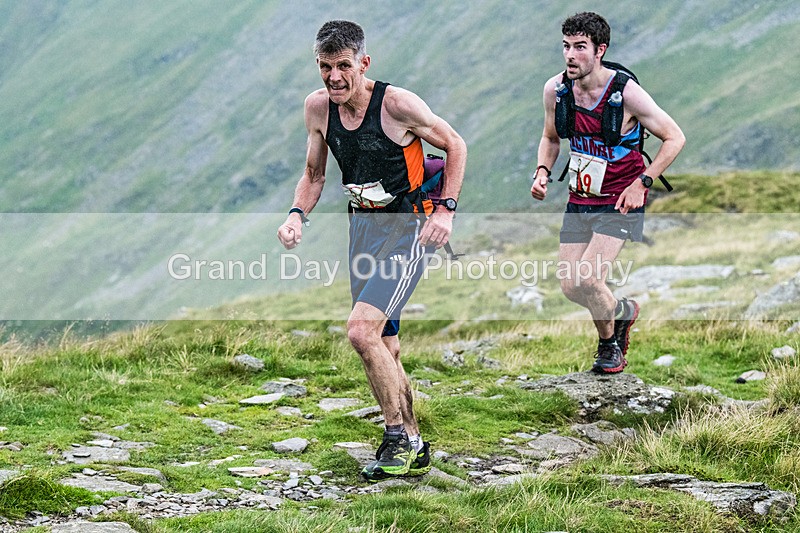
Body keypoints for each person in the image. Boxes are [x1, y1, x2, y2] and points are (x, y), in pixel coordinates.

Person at [276, 20, 466, 481]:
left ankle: (395, 436)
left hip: (409, 229)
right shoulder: (318, 109)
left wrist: (446, 212)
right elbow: (315, 174)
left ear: (363, 63)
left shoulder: (397, 105)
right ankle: (415, 444)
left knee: (361, 332)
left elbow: (455, 144)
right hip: (363, 230)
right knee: (385, 343)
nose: (334, 77)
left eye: (344, 66)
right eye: (325, 67)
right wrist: (296, 215)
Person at [530, 12, 684, 373]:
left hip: (620, 198)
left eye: (580, 47)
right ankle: (622, 312)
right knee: (570, 286)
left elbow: (675, 137)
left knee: (589, 277)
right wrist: (541, 171)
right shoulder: (556, 89)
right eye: (566, 46)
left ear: (600, 50)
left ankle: (608, 346)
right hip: (580, 197)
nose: (570, 55)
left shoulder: (626, 93)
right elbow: (551, 138)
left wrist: (641, 183)